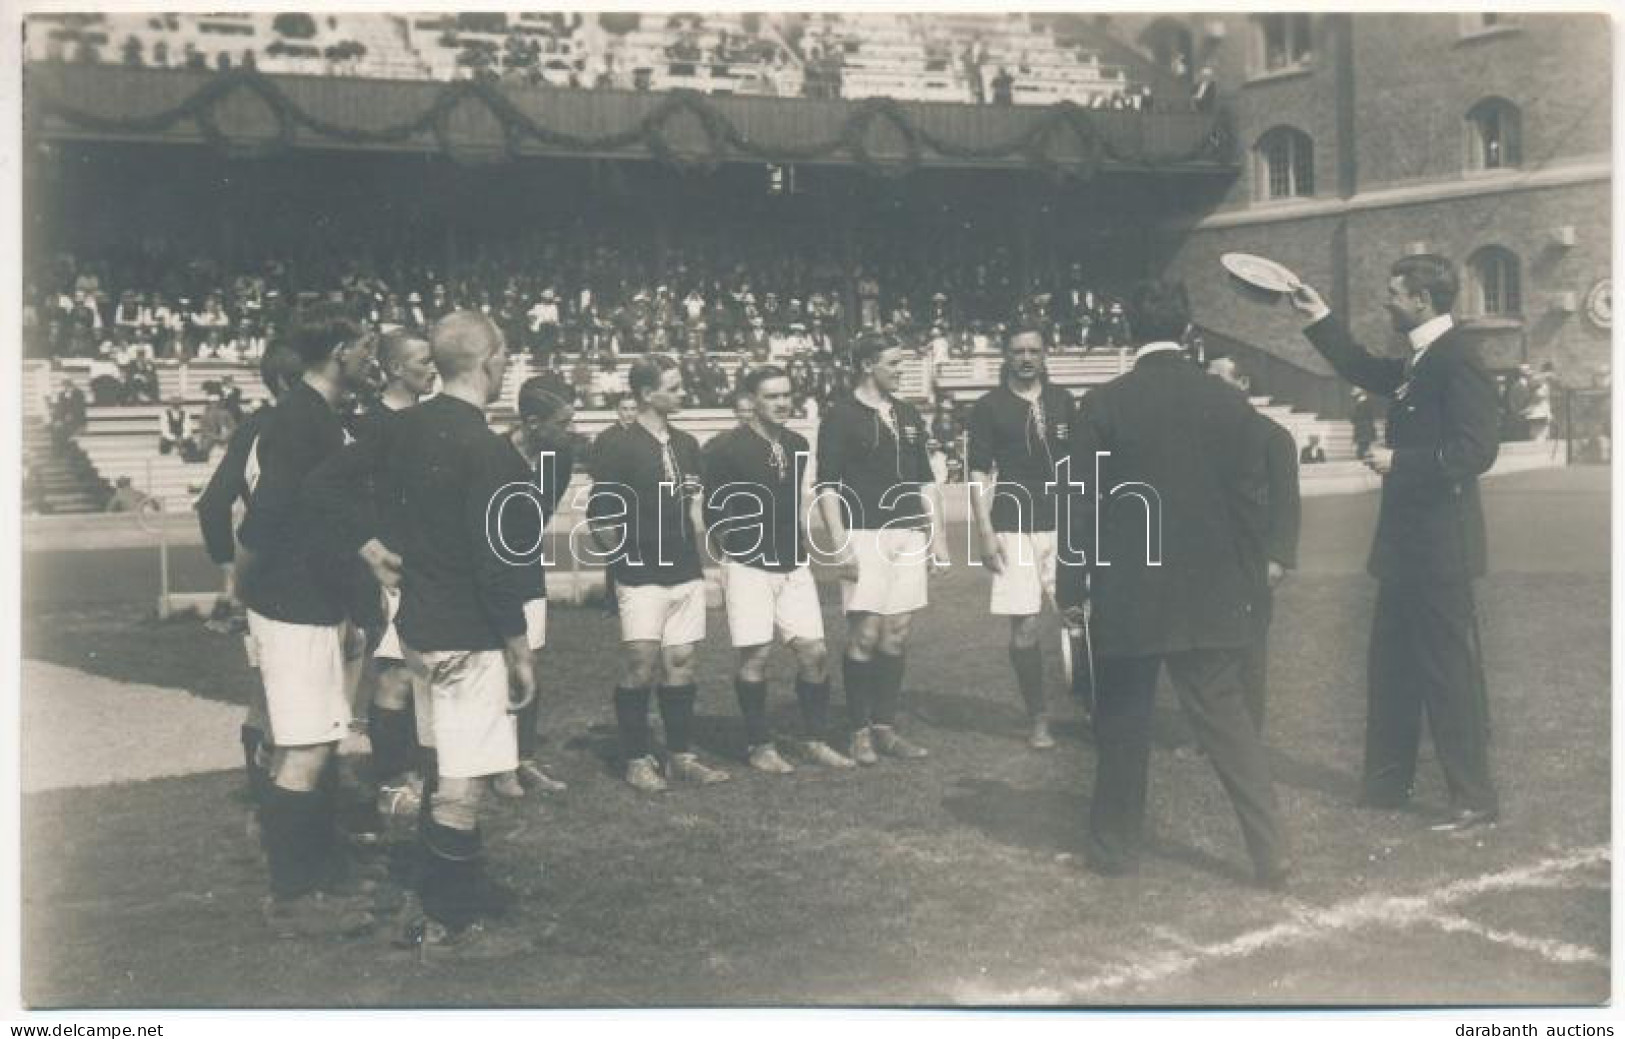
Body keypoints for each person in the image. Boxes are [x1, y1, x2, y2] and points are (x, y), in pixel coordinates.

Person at [308, 311, 539, 955]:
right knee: (462, 785)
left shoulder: (400, 428)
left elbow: (324, 485)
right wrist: (520, 648)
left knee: (443, 768)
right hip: (469, 636)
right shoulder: (493, 452)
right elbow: (498, 569)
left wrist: (370, 547)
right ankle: (446, 917)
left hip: (416, 626)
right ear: (491, 361)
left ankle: (444, 897)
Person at [1056, 281, 1289, 889]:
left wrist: (1070, 584)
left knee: (1124, 725)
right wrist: (1253, 572)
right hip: (1210, 592)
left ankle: (1113, 850)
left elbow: (1080, 505)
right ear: (1188, 330)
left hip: (1129, 592)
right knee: (1229, 727)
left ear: (1129, 332)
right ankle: (1271, 851)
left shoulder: (1104, 404)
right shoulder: (1226, 402)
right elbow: (1251, 497)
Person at [1290, 255, 1500, 833]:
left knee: (1447, 672)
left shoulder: (1457, 359)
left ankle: (1474, 799)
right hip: (1409, 549)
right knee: (1392, 669)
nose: (1387, 301)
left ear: (1423, 300)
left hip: (1440, 550)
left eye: (1394, 293)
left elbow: (1478, 450)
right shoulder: (1423, 357)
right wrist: (1319, 318)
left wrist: (1398, 461)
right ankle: (1386, 788)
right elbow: (1364, 368)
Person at [234, 304, 379, 938]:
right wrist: (252, 590)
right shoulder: (298, 420)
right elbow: (265, 517)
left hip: (316, 603)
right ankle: (292, 894)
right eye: (366, 346)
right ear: (341, 350)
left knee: (320, 740)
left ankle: (324, 870)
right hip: (292, 605)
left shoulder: (319, 414)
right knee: (303, 748)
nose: (371, 357)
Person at [587, 355, 731, 792]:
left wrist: (709, 555)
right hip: (640, 571)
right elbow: (600, 517)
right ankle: (635, 758)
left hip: (684, 570)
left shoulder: (687, 444)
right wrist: (623, 562)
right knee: (641, 664)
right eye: (674, 386)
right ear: (648, 394)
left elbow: (691, 507)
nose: (683, 392)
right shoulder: (617, 445)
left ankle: (680, 756)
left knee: (681, 662)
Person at [704, 366, 855, 774]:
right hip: (748, 567)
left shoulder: (798, 443)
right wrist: (734, 558)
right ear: (752, 401)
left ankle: (815, 740)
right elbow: (713, 514)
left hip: (794, 563)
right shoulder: (725, 448)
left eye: (786, 395)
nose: (782, 402)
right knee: (756, 656)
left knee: (815, 653)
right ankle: (760, 745)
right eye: (771, 396)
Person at [816, 333, 948, 764]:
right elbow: (828, 485)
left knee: (896, 635)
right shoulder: (839, 416)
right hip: (863, 534)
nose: (900, 370)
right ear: (868, 365)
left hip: (908, 532)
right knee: (866, 634)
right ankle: (858, 731)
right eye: (893, 363)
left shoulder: (908, 414)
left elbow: (925, 480)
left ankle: (885, 727)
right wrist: (840, 544)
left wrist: (937, 536)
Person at [194, 345, 306, 799]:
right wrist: (228, 570)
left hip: (263, 579)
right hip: (294, 576)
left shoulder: (255, 429)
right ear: (283, 382)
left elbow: (212, 505)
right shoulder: (280, 429)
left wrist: (230, 573)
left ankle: (267, 789)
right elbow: (211, 505)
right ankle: (280, 793)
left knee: (269, 688)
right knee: (291, 693)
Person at [966, 325, 1078, 750]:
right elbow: (977, 471)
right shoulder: (988, 407)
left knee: (1080, 620)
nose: (1027, 357)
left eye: (1034, 350)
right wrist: (985, 531)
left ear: (1045, 354)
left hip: (1065, 524)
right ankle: (1039, 718)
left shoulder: (1064, 402)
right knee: (1026, 626)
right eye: (1018, 351)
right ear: (1006, 356)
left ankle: (1093, 705)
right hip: (1013, 526)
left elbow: (1083, 462)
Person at [350, 329, 438, 818]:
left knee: (422, 669)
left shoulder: (427, 419)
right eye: (422, 361)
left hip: (426, 562)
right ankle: (389, 782)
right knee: (394, 674)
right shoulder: (374, 424)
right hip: (392, 568)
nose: (432, 368)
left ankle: (416, 773)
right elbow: (354, 498)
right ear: (397, 368)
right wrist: (374, 552)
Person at [491, 378, 577, 798]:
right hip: (487, 573)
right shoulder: (490, 454)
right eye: (563, 423)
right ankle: (495, 761)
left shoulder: (558, 457)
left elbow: (534, 520)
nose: (570, 431)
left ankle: (523, 758)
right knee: (491, 667)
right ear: (532, 421)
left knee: (528, 663)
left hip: (526, 571)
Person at [1209, 355, 1300, 735]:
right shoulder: (1197, 435)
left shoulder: (1274, 437)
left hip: (1253, 559)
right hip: (1208, 559)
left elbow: (1287, 503)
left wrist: (1277, 558)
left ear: (1242, 383)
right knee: (1208, 650)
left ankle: (1248, 732)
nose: (1208, 388)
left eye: (1218, 380)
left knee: (1249, 648)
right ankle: (1210, 732)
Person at [1350, 389, 1379, 460]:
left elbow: (1365, 414)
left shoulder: (1363, 402)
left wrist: (1354, 420)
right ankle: (1362, 454)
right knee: (1363, 441)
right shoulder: (1360, 402)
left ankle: (1362, 454)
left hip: (1364, 424)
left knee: (1364, 441)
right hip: (1363, 424)